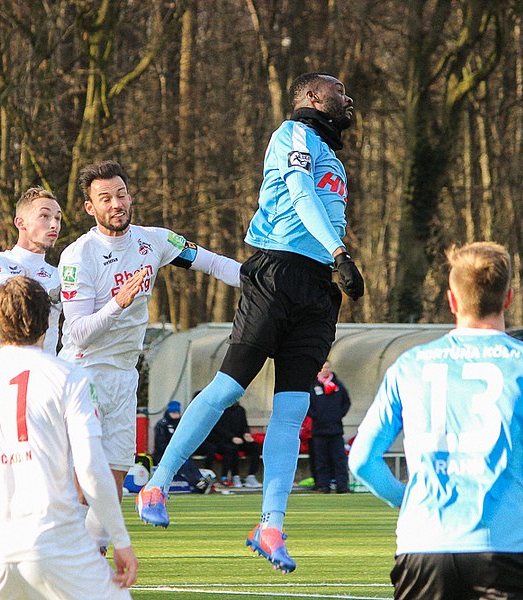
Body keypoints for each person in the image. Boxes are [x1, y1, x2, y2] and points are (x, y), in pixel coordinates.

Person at [137, 72, 364, 574]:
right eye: (338, 91)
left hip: (316, 289)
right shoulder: (293, 133)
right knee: (228, 387)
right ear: (311, 97)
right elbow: (300, 193)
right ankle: (157, 483)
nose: (347, 99)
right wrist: (340, 252)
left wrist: (334, 263)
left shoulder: (333, 155)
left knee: (293, 409)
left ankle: (270, 525)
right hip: (276, 273)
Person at [349, 242, 523, 600]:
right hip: (506, 550)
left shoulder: (409, 365)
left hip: (421, 551)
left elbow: (362, 460)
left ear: (452, 300)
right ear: (508, 298)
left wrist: (408, 500)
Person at [58, 160, 241, 543]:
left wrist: (266, 281)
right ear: (90, 207)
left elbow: (213, 264)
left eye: (121, 194)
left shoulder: (154, 241)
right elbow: (78, 333)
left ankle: (95, 565)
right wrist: (118, 303)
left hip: (125, 377)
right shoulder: (79, 255)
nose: (116, 204)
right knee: (85, 488)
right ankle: (68, 565)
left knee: (112, 489)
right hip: (83, 374)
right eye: (105, 198)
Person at [0, 277, 137, 599]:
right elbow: (90, 469)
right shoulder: (69, 377)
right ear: (47, 322)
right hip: (56, 543)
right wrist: (121, 540)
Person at [0, 186, 62, 364]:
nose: (54, 225)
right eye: (44, 216)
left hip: (41, 376)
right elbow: (15, 293)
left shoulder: (59, 275)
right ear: (20, 223)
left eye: (58, 218)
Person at [152, 401, 214, 494]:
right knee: (183, 464)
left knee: (188, 462)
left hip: (179, 453)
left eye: (177, 413)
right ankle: (198, 484)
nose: (176, 415)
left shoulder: (182, 423)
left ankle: (200, 481)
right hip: (164, 454)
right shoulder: (162, 425)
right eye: (173, 413)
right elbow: (160, 444)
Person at [309, 360, 351, 493]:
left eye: (327, 367)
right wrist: (317, 416)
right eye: (323, 367)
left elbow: (346, 402)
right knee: (321, 460)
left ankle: (342, 486)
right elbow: (308, 405)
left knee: (339, 459)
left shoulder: (338, 385)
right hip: (319, 430)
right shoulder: (313, 386)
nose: (325, 370)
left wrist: (338, 415)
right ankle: (323, 485)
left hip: (335, 429)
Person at [211, 403, 262, 489]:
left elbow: (244, 425)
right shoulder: (221, 410)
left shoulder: (240, 410)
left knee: (255, 447)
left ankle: (251, 476)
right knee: (232, 448)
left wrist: (246, 433)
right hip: (224, 440)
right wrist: (231, 437)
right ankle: (235, 476)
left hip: (240, 439)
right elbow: (218, 428)